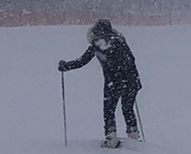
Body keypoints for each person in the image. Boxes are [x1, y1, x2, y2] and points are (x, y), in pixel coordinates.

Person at [60, 19, 142, 147]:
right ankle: (134, 137)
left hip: (113, 82)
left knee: (109, 110)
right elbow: (131, 59)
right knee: (128, 107)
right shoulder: (120, 40)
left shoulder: (97, 44)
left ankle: (111, 139)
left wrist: (66, 66)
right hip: (132, 80)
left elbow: (82, 61)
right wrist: (130, 76)